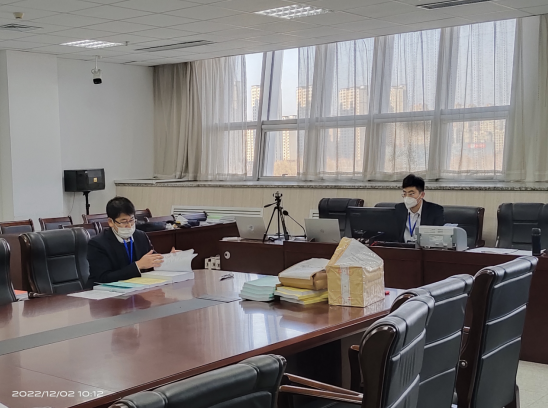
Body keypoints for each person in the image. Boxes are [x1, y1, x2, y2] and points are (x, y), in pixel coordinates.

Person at [87, 197, 165, 284]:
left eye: (131, 220)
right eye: (124, 222)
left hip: (137, 286)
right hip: (107, 289)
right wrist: (137, 266)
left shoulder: (140, 236)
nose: (129, 225)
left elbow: (153, 260)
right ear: (111, 222)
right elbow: (103, 277)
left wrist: (170, 257)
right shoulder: (97, 243)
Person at [395, 174, 444, 243]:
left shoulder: (435, 211)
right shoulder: (399, 209)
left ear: (422, 195)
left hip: (424, 248)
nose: (407, 197)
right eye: (405, 193)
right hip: (403, 248)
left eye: (411, 194)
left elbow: (437, 239)